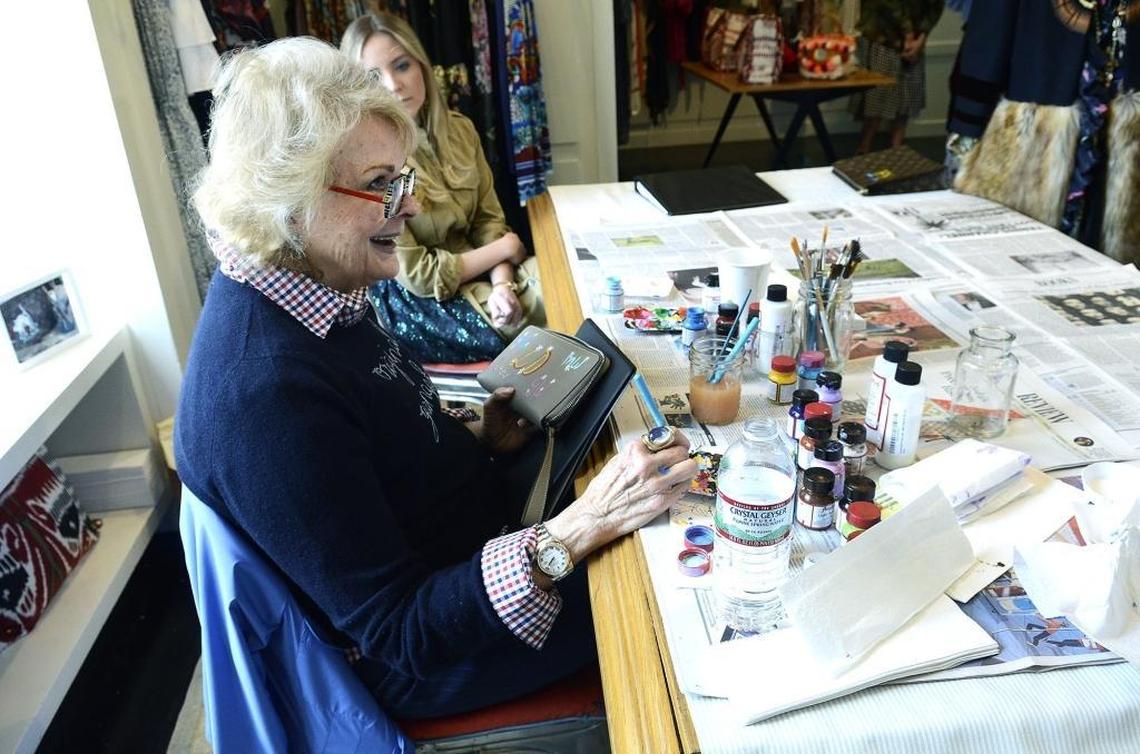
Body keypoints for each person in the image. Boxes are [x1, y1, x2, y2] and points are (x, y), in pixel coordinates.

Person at [175, 38, 696, 720]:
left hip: (476, 537)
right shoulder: (263, 395)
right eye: (381, 184)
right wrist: (579, 528)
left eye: (405, 178)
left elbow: (372, 440)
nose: (411, 208)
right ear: (288, 198)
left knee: (651, 473)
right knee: (670, 595)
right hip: (431, 653)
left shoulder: (312, 279)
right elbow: (398, 633)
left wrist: (481, 438)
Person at [340, 13, 545, 364]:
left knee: (564, 281)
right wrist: (505, 249)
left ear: (421, 66)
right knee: (546, 317)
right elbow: (419, 275)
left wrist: (503, 285)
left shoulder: (461, 132)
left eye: (402, 66)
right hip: (417, 302)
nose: (393, 85)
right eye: (373, 77)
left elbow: (489, 223)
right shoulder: (373, 166)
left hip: (481, 274)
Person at [849, 0, 945, 153]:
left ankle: (897, 149)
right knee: (876, 96)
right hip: (882, 33)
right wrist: (908, 34)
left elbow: (936, 6)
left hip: (914, 37)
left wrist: (921, 38)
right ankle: (863, 149)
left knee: (906, 96)